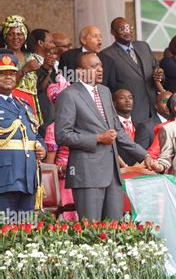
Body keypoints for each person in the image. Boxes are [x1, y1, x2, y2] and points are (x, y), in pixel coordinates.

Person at [55, 52, 154, 221]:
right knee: (91, 229)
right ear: (80, 72)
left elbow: (118, 130)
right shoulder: (69, 95)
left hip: (112, 174)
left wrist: (144, 155)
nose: (100, 69)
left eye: (100, 65)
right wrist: (98, 138)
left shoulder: (105, 91)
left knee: (114, 227)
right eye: (93, 67)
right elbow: (62, 135)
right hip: (87, 174)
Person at [0, 50, 46, 216]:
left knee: (24, 234)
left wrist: (43, 148)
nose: (8, 77)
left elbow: (36, 134)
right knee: (4, 234)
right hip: (4, 178)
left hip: (27, 178)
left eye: (12, 73)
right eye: (2, 73)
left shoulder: (24, 105)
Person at [102, 18, 165, 124]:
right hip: (131, 113)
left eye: (129, 27)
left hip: (155, 110)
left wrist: (159, 74)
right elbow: (108, 87)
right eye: (122, 29)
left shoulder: (143, 46)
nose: (127, 31)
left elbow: (156, 68)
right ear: (113, 32)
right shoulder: (107, 55)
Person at [43, 77, 78, 221]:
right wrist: (65, 169)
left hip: (85, 178)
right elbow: (48, 167)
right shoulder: (53, 128)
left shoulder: (82, 123)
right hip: (65, 183)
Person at [1, 15, 42, 125]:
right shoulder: (2, 57)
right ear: (5, 36)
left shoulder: (33, 57)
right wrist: (25, 69)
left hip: (30, 102)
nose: (16, 38)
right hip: (8, 102)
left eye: (19, 34)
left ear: (25, 37)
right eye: (11, 34)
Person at [58, 25, 117, 89]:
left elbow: (112, 87)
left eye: (100, 36)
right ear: (83, 40)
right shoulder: (67, 57)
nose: (99, 39)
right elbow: (62, 82)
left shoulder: (108, 61)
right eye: (94, 36)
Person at [28, 29, 58, 136]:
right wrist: (45, 69)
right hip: (40, 117)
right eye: (50, 42)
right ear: (40, 43)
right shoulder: (29, 61)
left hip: (54, 117)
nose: (54, 45)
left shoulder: (55, 64)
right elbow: (37, 87)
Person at [112, 89, 138, 166]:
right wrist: (125, 167)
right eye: (122, 98)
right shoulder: (110, 125)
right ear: (114, 103)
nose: (127, 100)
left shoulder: (140, 125)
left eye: (130, 98)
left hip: (141, 169)